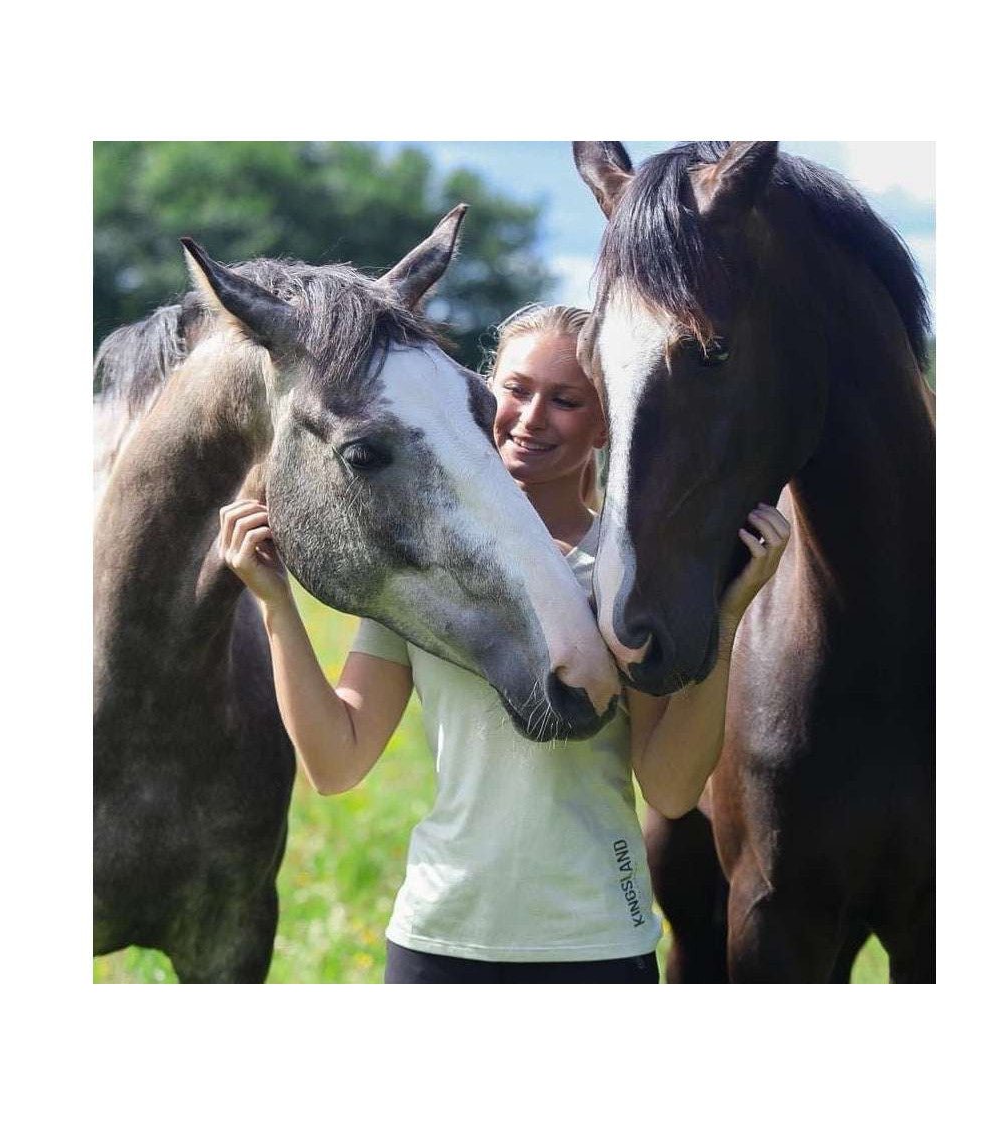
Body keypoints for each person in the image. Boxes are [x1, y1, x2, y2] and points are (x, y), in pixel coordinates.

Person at [218, 304, 789, 983]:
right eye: (516, 390)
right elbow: (336, 762)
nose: (531, 417)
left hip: (597, 938)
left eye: (566, 401)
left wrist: (726, 619)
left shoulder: (629, 575)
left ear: (606, 424)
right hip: (438, 935)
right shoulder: (424, 567)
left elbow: (670, 789)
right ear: (484, 396)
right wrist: (276, 605)